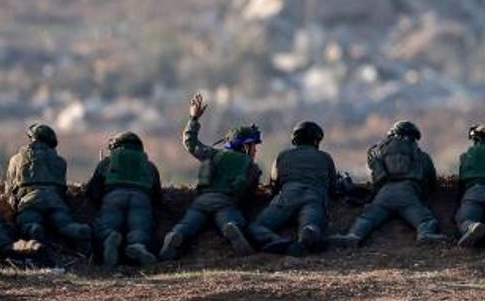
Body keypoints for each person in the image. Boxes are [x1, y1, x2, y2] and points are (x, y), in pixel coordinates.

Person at [159, 94, 262, 260]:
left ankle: (176, 235)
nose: (255, 151)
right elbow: (248, 191)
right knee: (232, 222)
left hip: (201, 200)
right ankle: (231, 228)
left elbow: (191, 144)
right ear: (245, 146)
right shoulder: (250, 166)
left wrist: (194, 118)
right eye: (253, 146)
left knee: (187, 225)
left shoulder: (213, 154)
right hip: (225, 203)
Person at [330, 121, 443, 246]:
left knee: (367, 219)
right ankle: (425, 234)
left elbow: (376, 178)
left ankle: (353, 236)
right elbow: (432, 181)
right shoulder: (421, 155)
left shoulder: (379, 152)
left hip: (384, 194)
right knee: (426, 221)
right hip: (408, 193)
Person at [248, 121, 339, 255]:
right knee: (311, 225)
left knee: (256, 227)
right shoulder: (325, 157)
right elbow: (333, 188)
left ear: (295, 139)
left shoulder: (283, 155)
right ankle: (307, 236)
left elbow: (274, 185)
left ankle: (277, 241)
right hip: (314, 196)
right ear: (316, 140)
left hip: (288, 195)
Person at [4, 123, 91, 248]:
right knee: (63, 223)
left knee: (26, 221)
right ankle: (75, 229)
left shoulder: (16, 159)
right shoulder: (60, 161)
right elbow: (62, 188)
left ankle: (33, 229)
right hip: (55, 199)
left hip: (30, 199)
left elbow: (10, 189)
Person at [85, 131, 163, 267]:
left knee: (107, 226)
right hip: (141, 198)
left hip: (113, 196)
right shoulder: (149, 165)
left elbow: (94, 189)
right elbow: (156, 193)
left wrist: (97, 201)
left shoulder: (107, 162)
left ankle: (110, 236)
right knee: (140, 228)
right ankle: (138, 246)